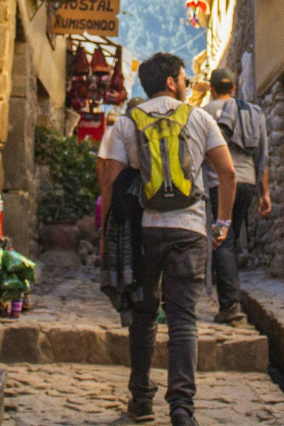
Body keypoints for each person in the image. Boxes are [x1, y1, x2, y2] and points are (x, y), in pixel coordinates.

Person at [98, 53, 236, 426]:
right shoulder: (200, 117)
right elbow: (228, 173)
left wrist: (105, 236)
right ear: (173, 83)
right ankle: (181, 409)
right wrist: (221, 223)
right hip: (189, 230)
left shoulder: (126, 124)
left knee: (143, 316)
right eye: (185, 79)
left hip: (144, 231)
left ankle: (141, 400)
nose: (188, 85)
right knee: (183, 318)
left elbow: (110, 182)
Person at [202, 67, 271, 323]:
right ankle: (231, 301)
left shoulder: (204, 113)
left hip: (218, 186)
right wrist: (265, 192)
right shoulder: (254, 112)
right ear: (234, 88)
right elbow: (261, 154)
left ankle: (230, 305)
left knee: (222, 239)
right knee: (230, 239)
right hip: (247, 184)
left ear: (211, 88)